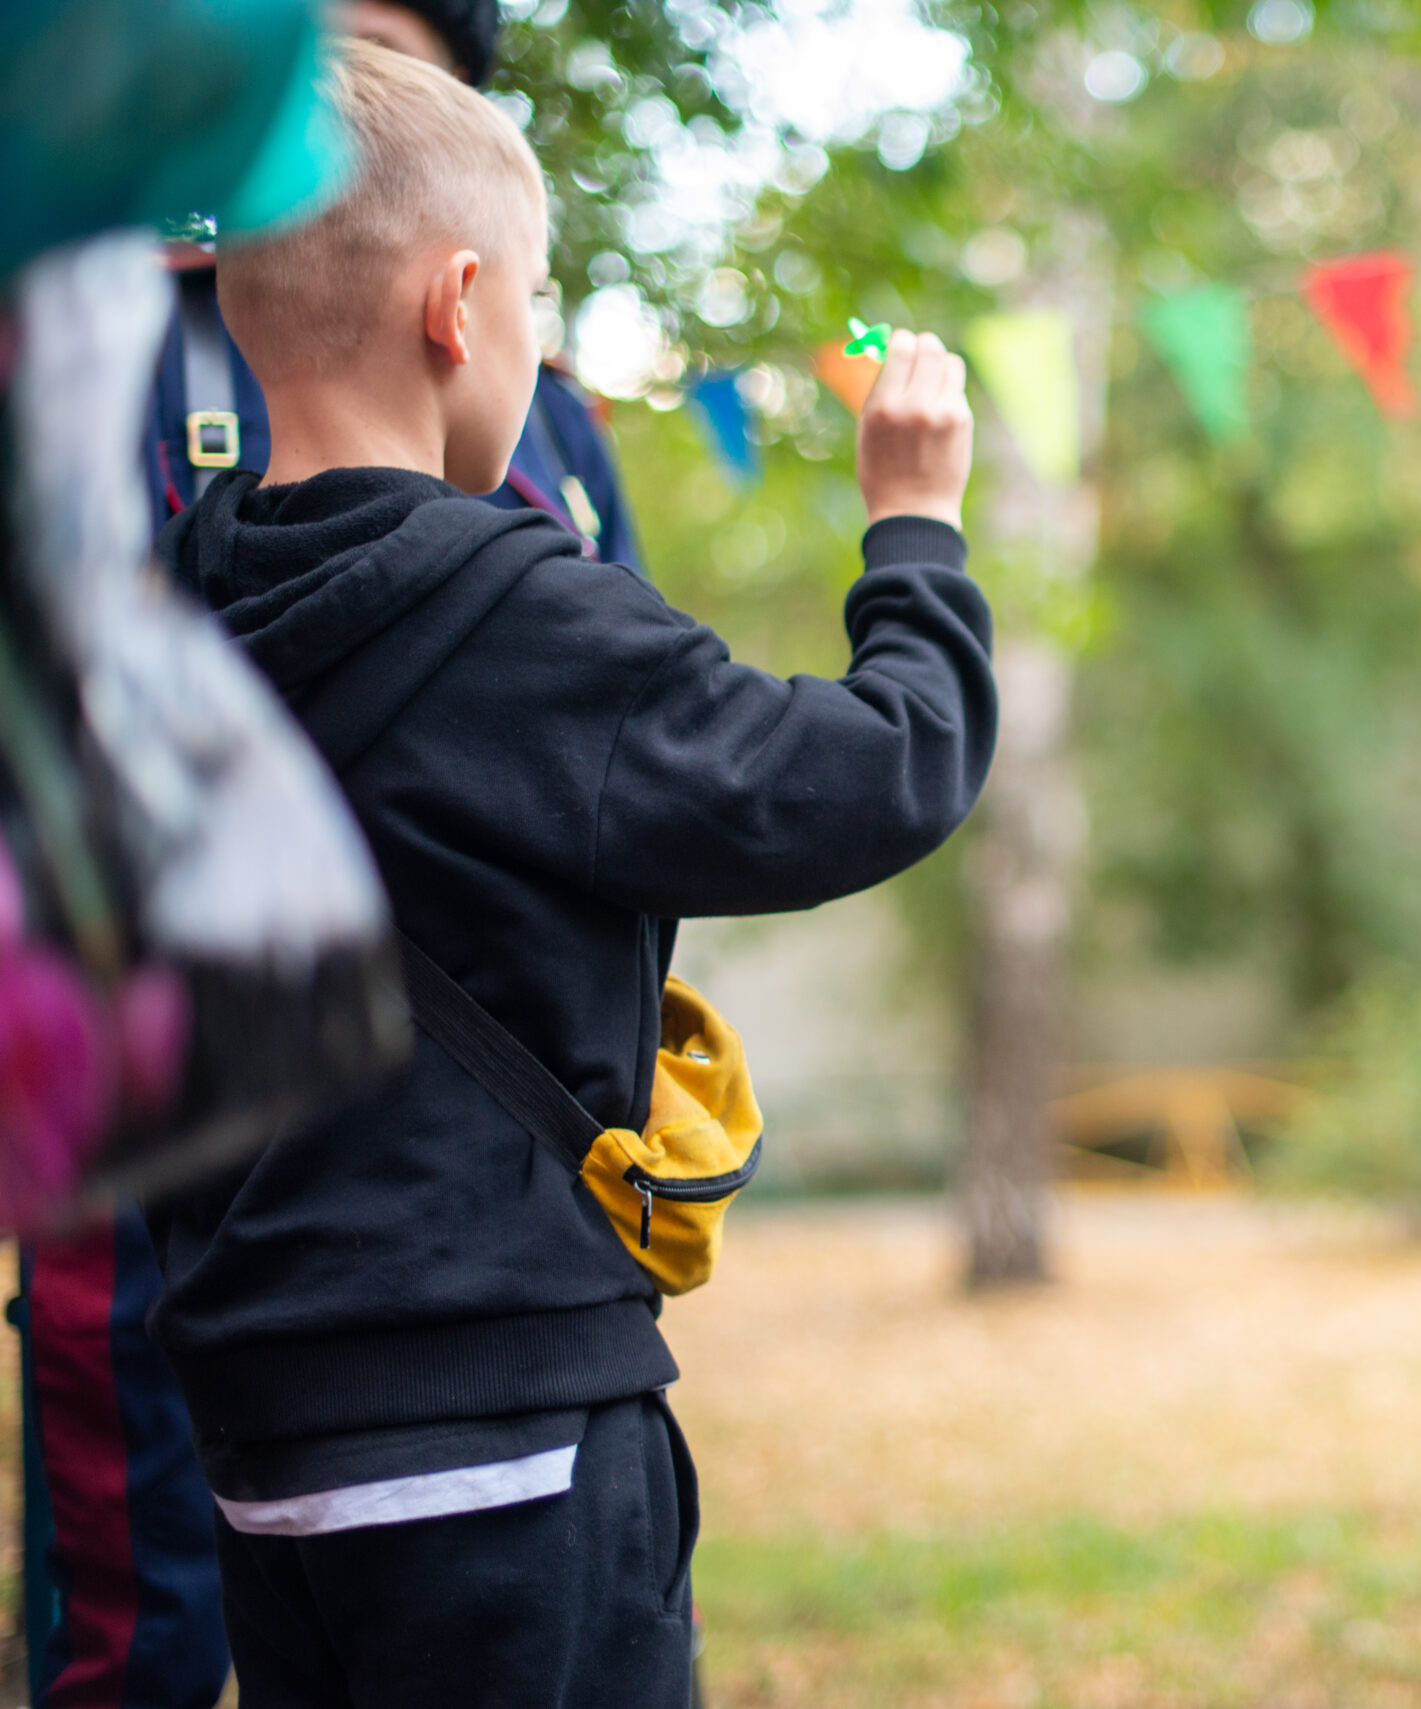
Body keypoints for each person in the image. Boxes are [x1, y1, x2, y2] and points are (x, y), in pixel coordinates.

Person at [144, 39, 989, 1705]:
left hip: (263, 1446)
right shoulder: (518, 616)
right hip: (509, 1436)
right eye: (538, 299)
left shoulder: (162, 616)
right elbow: (877, 770)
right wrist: (914, 527)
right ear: (458, 306)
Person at [17, 6, 647, 1703]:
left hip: (464, 1200)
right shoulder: (112, 334)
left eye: (384, 58)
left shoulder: (553, 421)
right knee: (140, 1611)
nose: (333, 104)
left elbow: (631, 732)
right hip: (153, 1120)